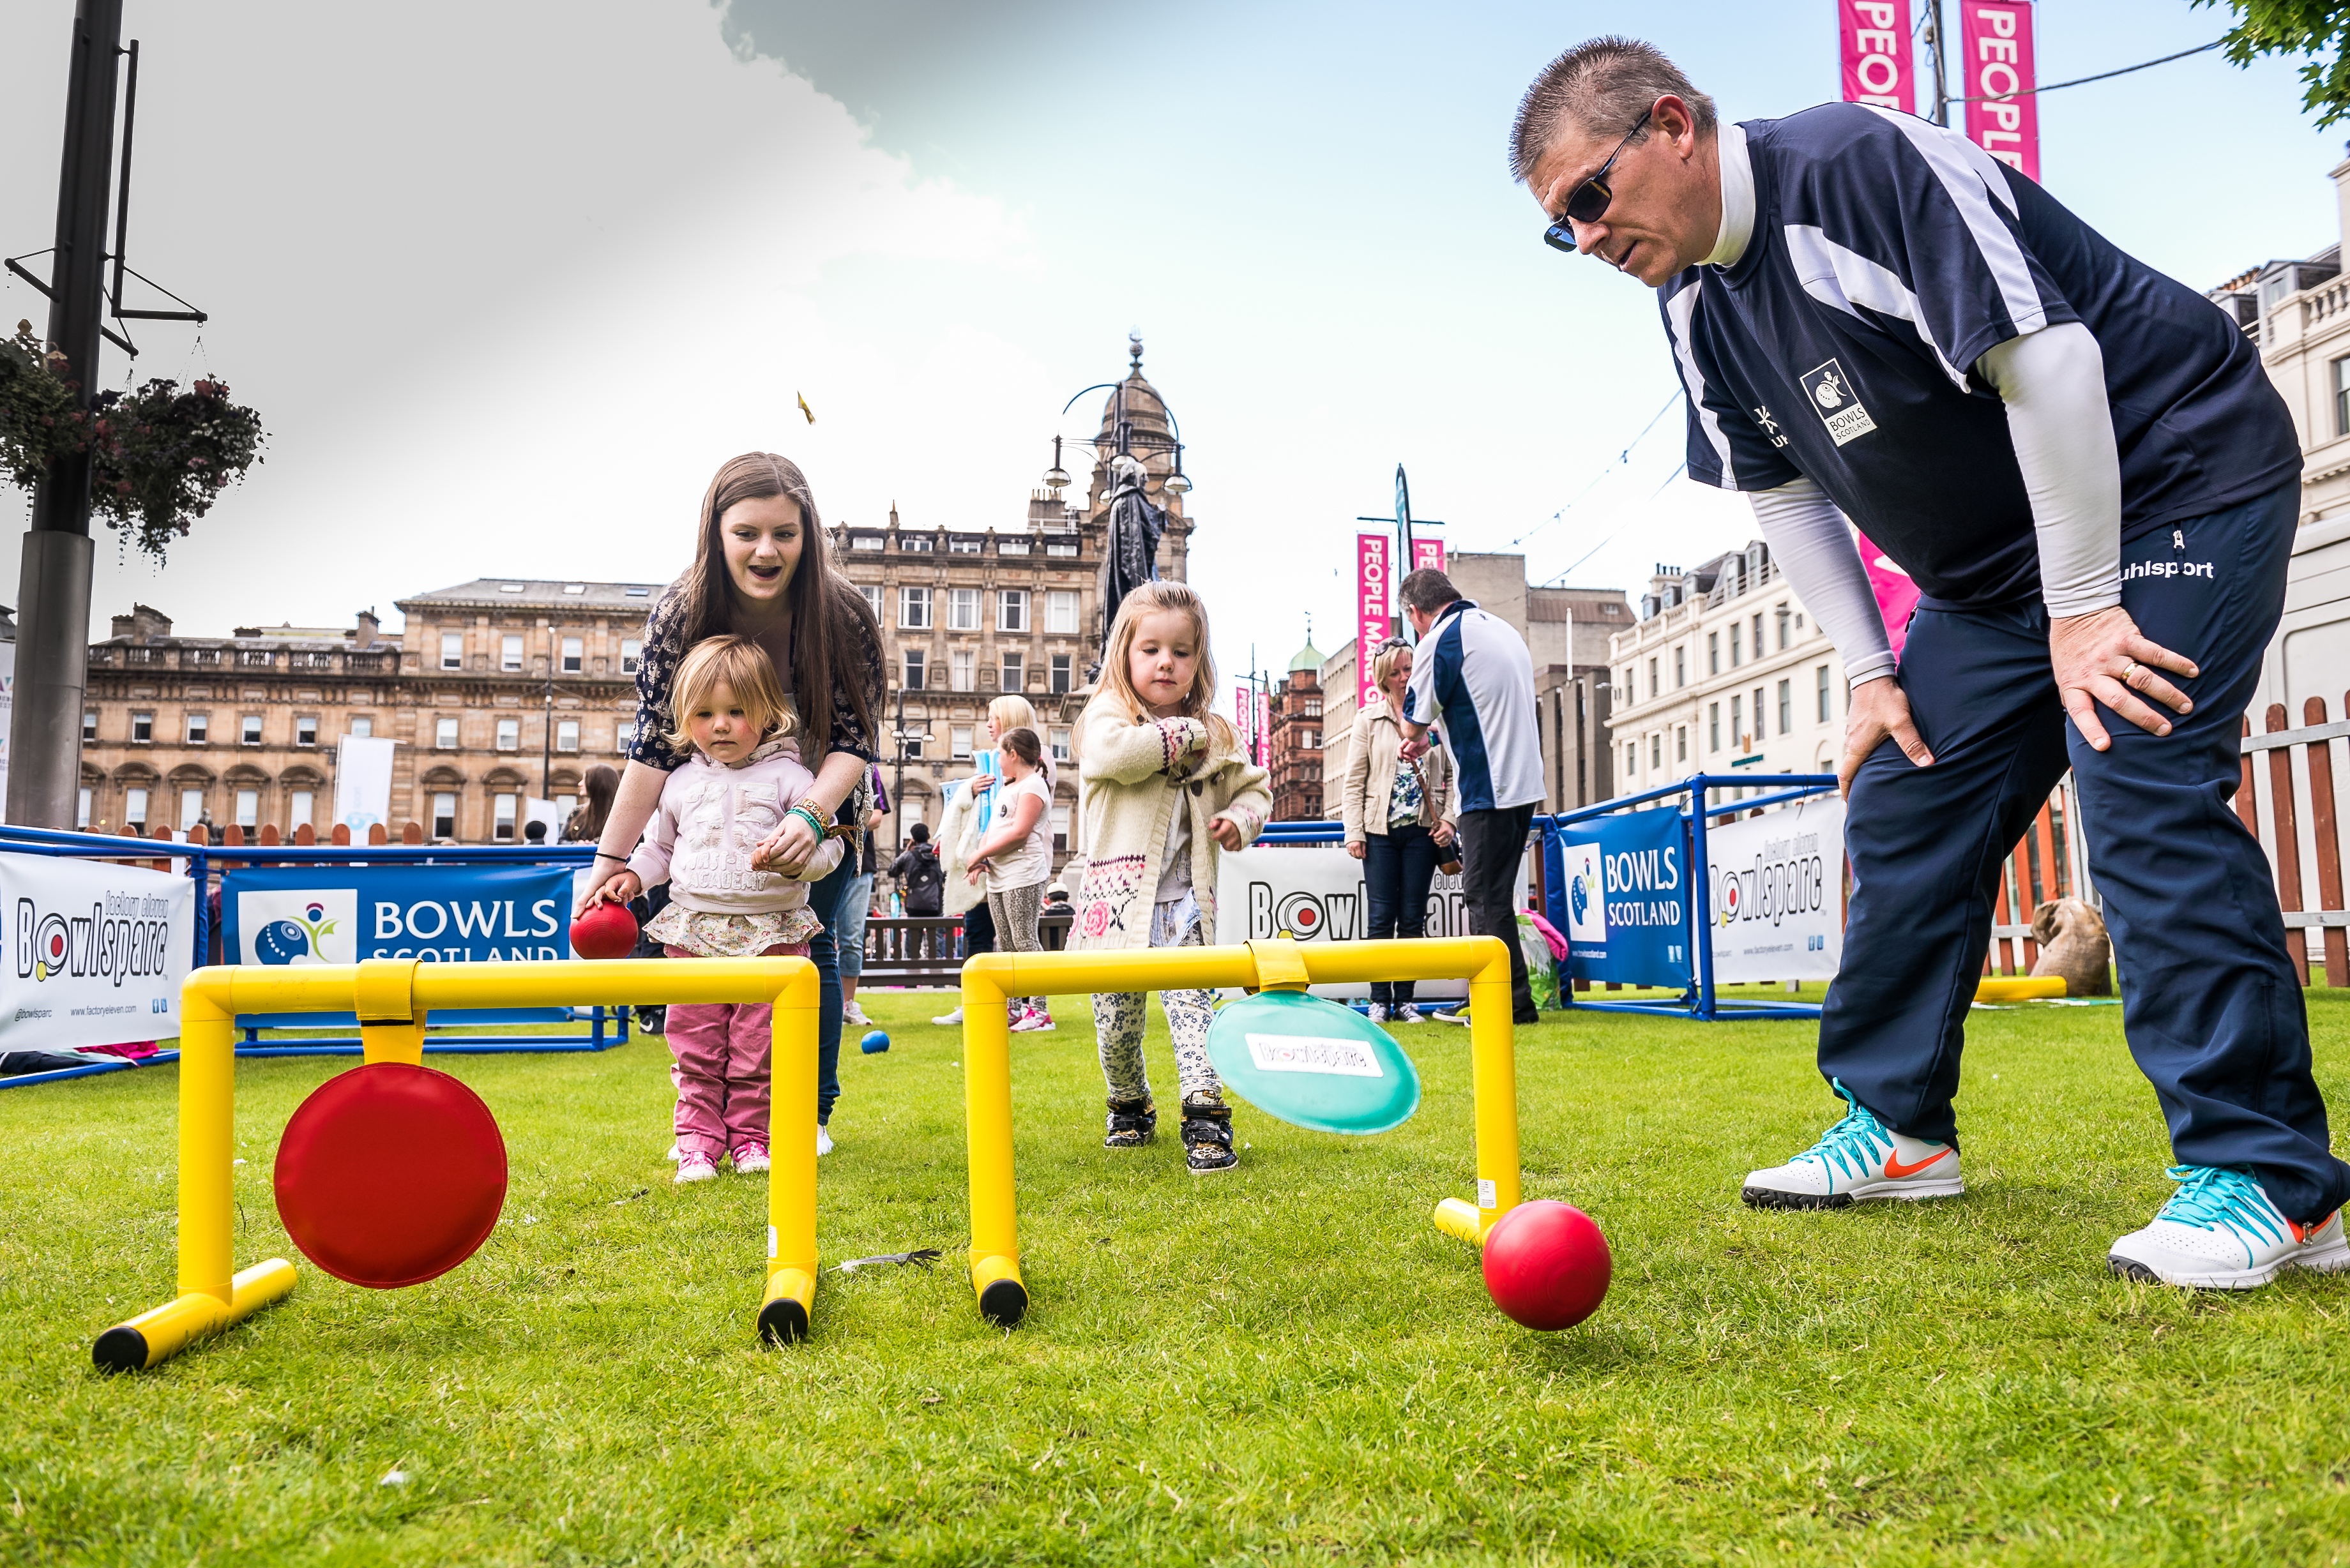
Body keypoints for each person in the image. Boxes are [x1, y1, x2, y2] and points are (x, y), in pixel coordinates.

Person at [1508, 39, 2349, 1287]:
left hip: (2179, 477)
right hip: (1995, 577)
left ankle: (2271, 1180)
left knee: (2132, 763)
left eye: (1589, 197)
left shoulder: (1856, 166)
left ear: (1672, 125)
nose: (1584, 239)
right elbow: (1783, 497)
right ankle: (1899, 1128)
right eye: (1556, 229)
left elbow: (2051, 362)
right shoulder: (1690, 306)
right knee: (1904, 791)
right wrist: (1867, 670)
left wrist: (2081, 614)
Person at [584, 452, 884, 1159]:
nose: (766, 549)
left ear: (808, 535)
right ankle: (704, 1125)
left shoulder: (843, 615)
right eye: (746, 531)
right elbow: (653, 747)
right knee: (704, 992)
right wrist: (610, 860)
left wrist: (806, 816)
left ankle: (806, 1110)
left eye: (785, 533)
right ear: (716, 533)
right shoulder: (680, 611)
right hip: (709, 807)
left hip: (814, 800)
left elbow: (852, 739)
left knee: (810, 958)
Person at [586, 635, 843, 1184]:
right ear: (684, 717)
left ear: (768, 714)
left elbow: (832, 847)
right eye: (704, 714)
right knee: (695, 1045)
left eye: (736, 712)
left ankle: (752, 1139)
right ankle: (698, 1142)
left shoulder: (793, 779)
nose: (720, 725)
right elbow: (660, 848)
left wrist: (800, 863)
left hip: (772, 933)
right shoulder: (678, 782)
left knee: (758, 1049)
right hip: (693, 933)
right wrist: (632, 875)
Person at [1069, 581, 1271, 1174]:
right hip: (1116, 904)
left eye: (1181, 652)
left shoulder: (1218, 732)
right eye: (1151, 649)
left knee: (1193, 1010)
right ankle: (1129, 1102)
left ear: (1198, 662)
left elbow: (1254, 787)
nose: (1166, 662)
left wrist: (1239, 816)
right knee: (1115, 1024)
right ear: (1124, 655)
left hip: (1187, 905)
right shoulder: (1108, 715)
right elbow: (1116, 756)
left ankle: (1205, 1115)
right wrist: (1185, 736)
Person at [1394, 568, 1545, 1027]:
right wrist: (1434, 740)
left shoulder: (1438, 640)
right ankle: (1515, 1002)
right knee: (1495, 896)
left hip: (1489, 786)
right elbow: (1483, 705)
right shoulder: (1500, 630)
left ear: (1416, 612)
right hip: (1525, 782)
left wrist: (1420, 736)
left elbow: (1410, 724)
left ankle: (1499, 1005)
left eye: (1412, 621)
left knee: (1482, 897)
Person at [1341, 638, 1459, 1023]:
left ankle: (1406, 1002)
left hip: (1423, 832)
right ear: (1383, 678)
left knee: (1412, 919)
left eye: (1409, 669)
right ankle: (1379, 1001)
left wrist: (1449, 820)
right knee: (1380, 919)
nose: (1405, 677)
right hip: (1379, 832)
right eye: (1396, 672)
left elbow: (1453, 776)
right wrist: (1354, 832)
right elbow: (1354, 780)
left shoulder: (1438, 721)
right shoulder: (1367, 719)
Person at [964, 725, 1057, 1033]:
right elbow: (995, 829)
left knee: (1025, 941)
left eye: (1001, 753)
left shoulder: (1033, 786)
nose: (998, 759)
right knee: (1004, 943)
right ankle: (1014, 1007)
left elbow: (1020, 833)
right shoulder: (1009, 786)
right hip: (1000, 875)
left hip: (1024, 873)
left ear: (1013, 754)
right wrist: (983, 857)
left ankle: (1039, 1010)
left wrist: (979, 856)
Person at [839, 768, 888, 1029]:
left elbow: (878, 815)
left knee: (852, 938)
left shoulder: (867, 767)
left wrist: (836, 828)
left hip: (858, 863)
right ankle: (816, 1001)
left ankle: (848, 1003)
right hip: (816, 861)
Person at [562, 764, 619, 844]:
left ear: (598, 783)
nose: (580, 784)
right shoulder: (576, 812)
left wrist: (596, 844)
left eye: (585, 779)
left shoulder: (620, 815)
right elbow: (561, 841)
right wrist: (577, 844)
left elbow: (634, 844)